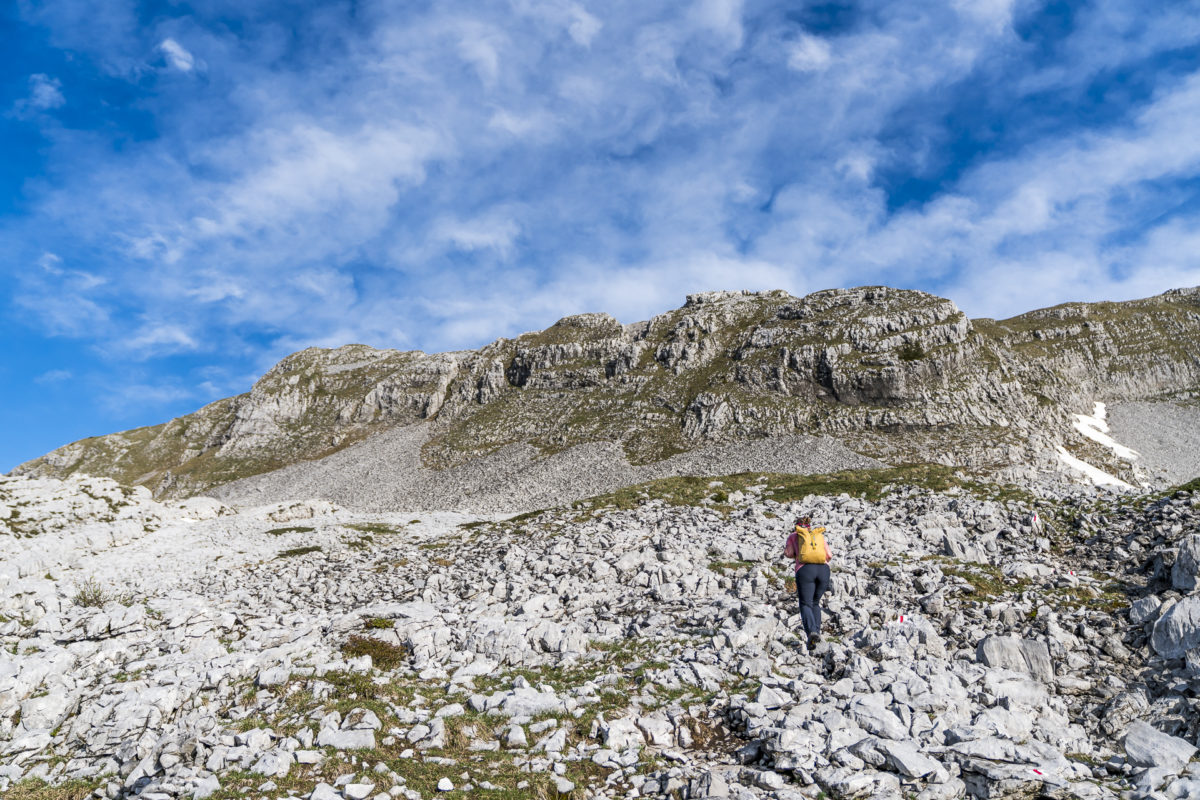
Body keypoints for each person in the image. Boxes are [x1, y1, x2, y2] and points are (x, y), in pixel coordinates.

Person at [784, 515, 832, 649]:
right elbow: (829, 555)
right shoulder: (816, 535)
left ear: (797, 525)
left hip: (805, 570)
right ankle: (817, 634)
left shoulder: (794, 536)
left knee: (805, 604)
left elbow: (789, 553)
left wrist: (795, 553)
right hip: (824, 570)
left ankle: (811, 632)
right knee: (815, 603)